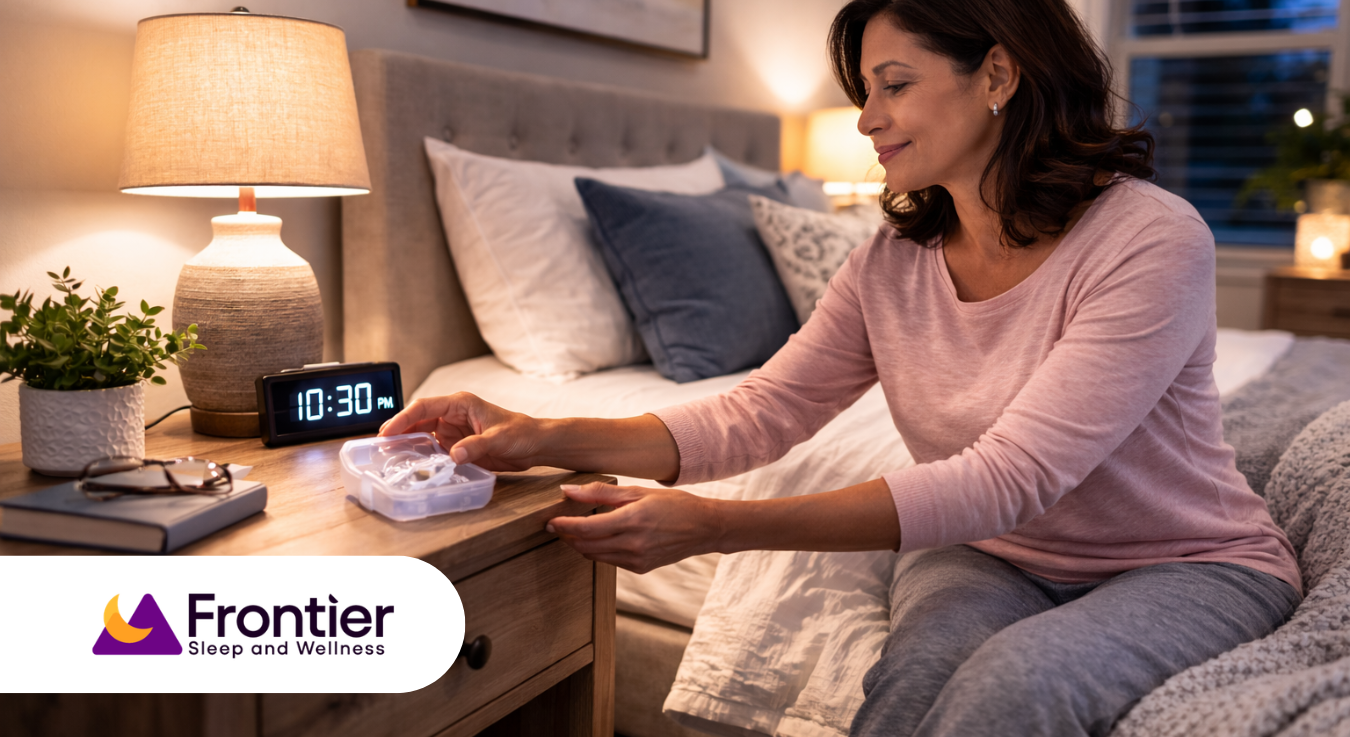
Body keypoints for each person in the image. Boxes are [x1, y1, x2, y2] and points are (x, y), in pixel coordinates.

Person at [379, 0, 1302, 733]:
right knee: (912, 684)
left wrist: (717, 527)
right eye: (866, 89)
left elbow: (1015, 477)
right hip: (992, 557)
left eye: (893, 85)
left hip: (1183, 563)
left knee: (1019, 684)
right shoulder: (891, 261)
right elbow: (756, 415)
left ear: (999, 73)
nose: (866, 120)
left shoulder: (1149, 235)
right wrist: (536, 430)